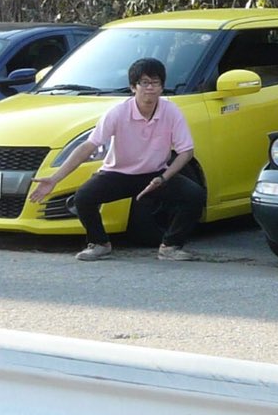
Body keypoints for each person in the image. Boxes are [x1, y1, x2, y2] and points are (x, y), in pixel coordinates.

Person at [31, 56, 204, 262]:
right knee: (84, 197)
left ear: (161, 87)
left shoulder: (171, 111)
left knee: (195, 195)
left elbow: (186, 151)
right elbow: (89, 145)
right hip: (118, 173)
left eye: (156, 83)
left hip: (155, 174)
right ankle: (99, 243)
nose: (150, 88)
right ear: (133, 87)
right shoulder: (118, 112)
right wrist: (55, 178)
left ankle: (170, 246)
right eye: (144, 83)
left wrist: (164, 177)